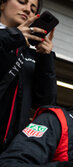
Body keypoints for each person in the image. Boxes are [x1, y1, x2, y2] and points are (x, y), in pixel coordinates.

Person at [0, 0, 56, 152]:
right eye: (22, 2)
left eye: (33, 9)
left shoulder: (30, 53)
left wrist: (45, 58)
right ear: (2, 4)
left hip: (10, 151)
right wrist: (14, 36)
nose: (27, 10)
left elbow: (45, 103)